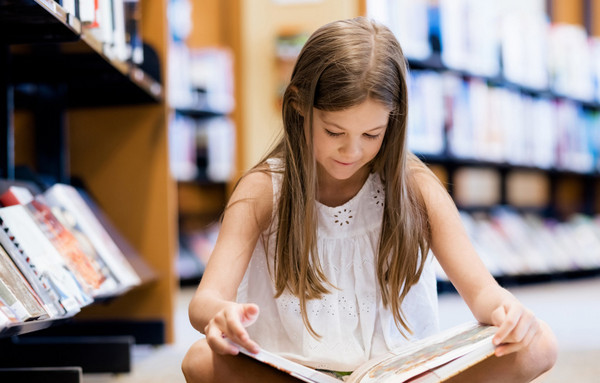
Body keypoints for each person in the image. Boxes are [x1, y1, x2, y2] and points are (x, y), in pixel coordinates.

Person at [181, 16, 557, 382]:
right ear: (297, 105)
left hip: (402, 373)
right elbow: (205, 300)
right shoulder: (264, 189)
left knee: (538, 343)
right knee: (201, 360)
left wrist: (507, 311)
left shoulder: (416, 186)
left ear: (394, 121)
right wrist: (221, 314)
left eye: (372, 134)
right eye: (334, 131)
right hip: (297, 371)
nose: (352, 150)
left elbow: (482, 292)